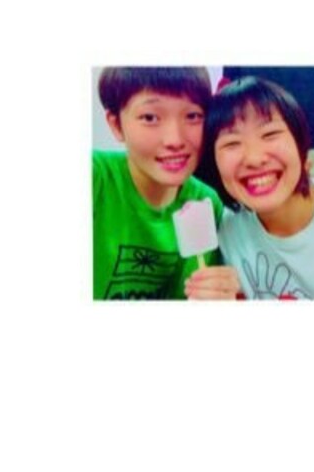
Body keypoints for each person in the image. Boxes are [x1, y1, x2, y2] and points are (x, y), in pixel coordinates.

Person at [93, 67, 240, 300]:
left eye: (192, 116)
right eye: (150, 118)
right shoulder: (96, 178)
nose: (175, 140)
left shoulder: (206, 203)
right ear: (116, 125)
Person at [201, 76, 314, 300]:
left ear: (300, 142)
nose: (254, 159)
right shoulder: (227, 229)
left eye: (270, 134)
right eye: (232, 143)